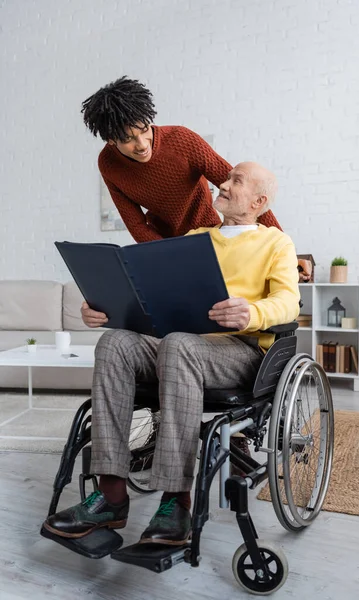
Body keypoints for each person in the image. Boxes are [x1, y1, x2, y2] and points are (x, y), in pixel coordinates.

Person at [43, 162, 300, 546]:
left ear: (259, 201)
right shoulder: (195, 237)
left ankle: (176, 500)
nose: (223, 184)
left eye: (236, 181)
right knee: (115, 343)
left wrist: (252, 311)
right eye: (226, 178)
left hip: (239, 350)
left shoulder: (275, 242)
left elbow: (289, 303)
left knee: (179, 343)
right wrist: (103, 307)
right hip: (180, 343)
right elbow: (153, 295)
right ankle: (111, 494)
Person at [81, 76, 282, 244]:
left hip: (209, 236)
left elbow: (247, 196)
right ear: (111, 141)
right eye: (128, 139)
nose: (142, 144)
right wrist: (167, 254)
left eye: (144, 130)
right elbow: (136, 224)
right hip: (162, 242)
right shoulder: (108, 163)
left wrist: (284, 249)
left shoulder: (182, 140)